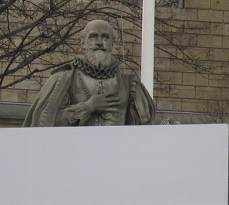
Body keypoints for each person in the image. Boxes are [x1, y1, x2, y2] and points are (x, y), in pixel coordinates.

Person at [22, 19, 156, 127]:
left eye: (105, 37)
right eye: (93, 37)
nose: (99, 42)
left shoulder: (130, 85)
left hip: (115, 155)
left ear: (113, 44)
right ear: (82, 43)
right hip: (75, 154)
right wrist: (88, 107)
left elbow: (145, 129)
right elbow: (46, 122)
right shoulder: (64, 79)